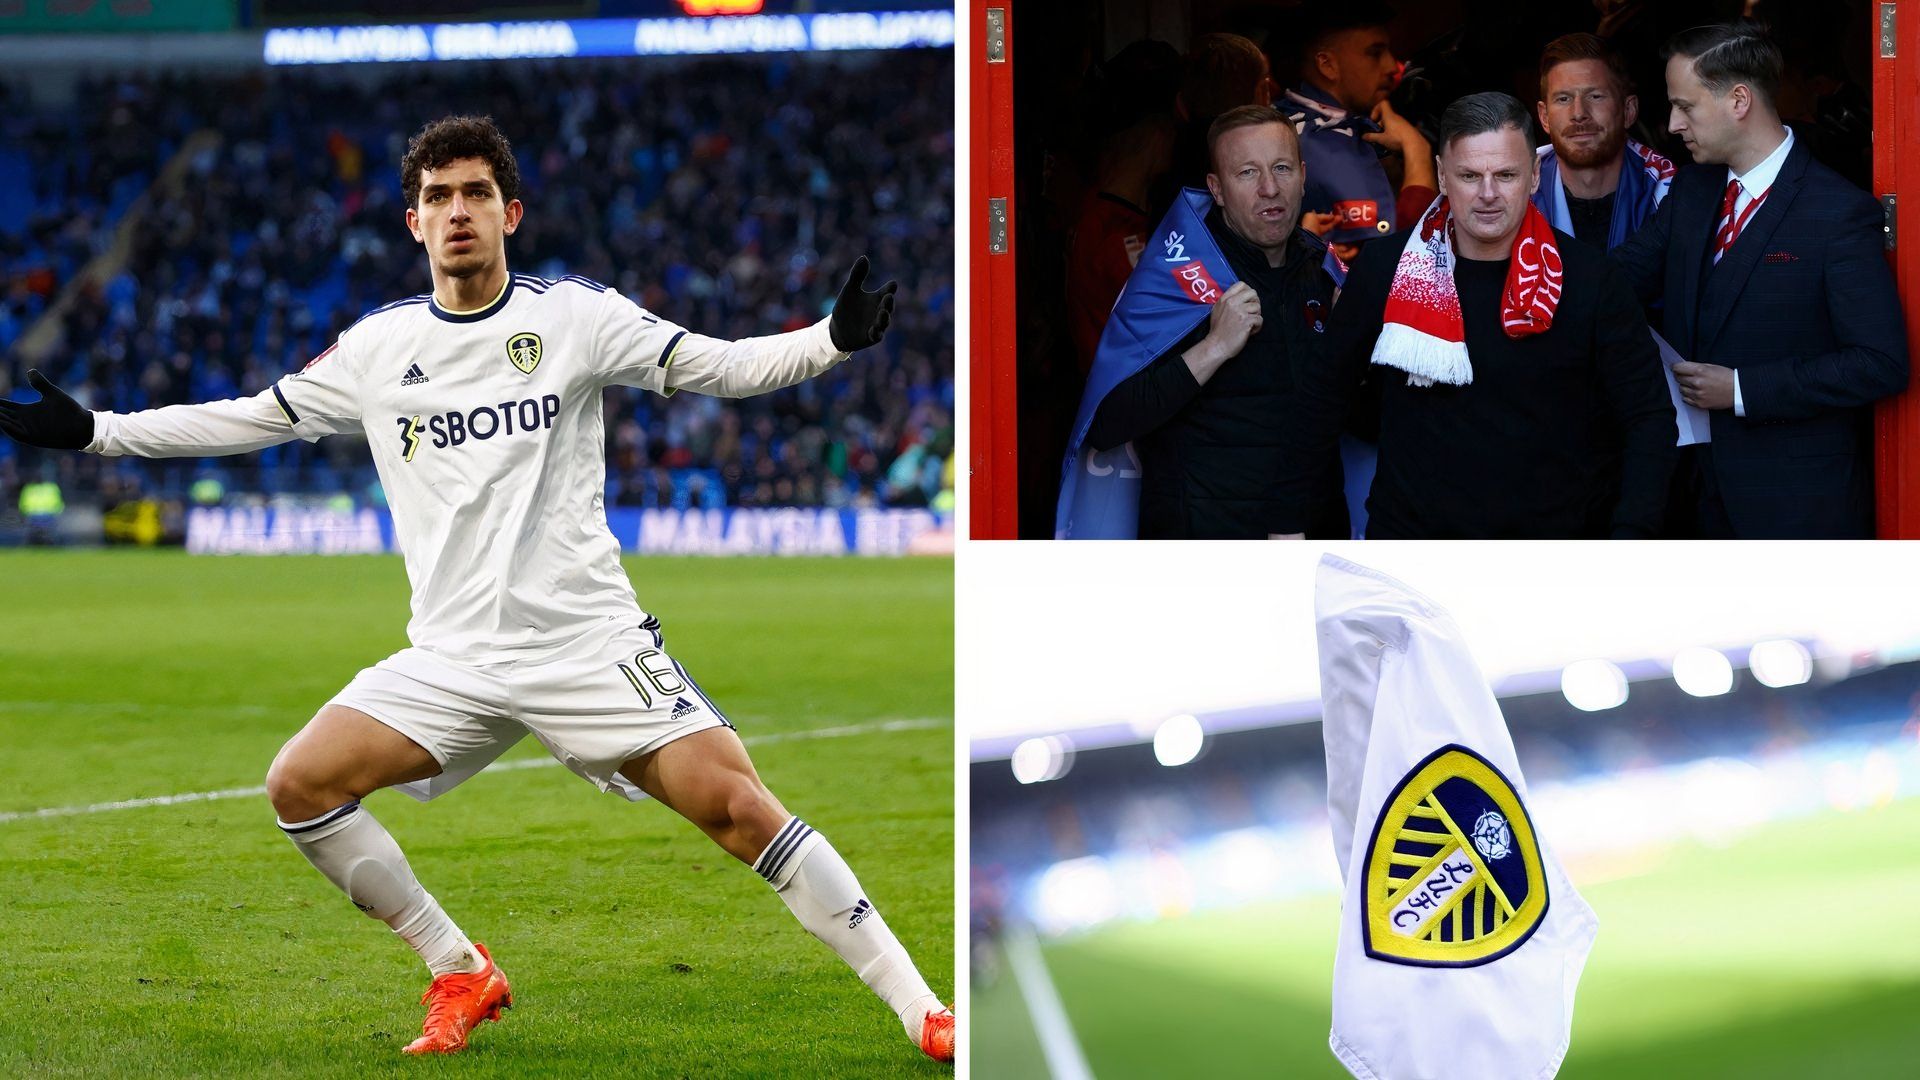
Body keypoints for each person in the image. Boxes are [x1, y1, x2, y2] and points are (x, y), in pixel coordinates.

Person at [0, 115, 953, 1063]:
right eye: (438, 197)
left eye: (476, 195)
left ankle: (925, 1012)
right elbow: (251, 419)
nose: (458, 212)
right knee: (300, 784)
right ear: (412, 223)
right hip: (453, 658)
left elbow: (722, 363)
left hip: (588, 644)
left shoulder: (574, 319)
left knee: (744, 811)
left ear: (511, 213)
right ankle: (457, 964)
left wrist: (830, 339)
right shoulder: (377, 350)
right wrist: (96, 433)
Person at [1299, 92, 1677, 538]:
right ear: (1441, 175)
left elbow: (1648, 418)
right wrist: (1291, 523)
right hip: (1413, 549)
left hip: (1551, 553)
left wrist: (1632, 535)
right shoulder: (1386, 269)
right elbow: (1320, 399)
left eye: (1506, 175)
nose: (1488, 195)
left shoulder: (1591, 279)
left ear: (1535, 175)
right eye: (1469, 175)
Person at [1609, 22, 1909, 538]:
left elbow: (1880, 364)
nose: (1674, 124)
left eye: (1686, 106)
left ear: (1739, 100)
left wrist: (1744, 388)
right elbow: (1612, 282)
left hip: (1799, 505)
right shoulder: (1693, 191)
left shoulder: (1838, 212)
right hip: (1695, 496)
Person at [1074, 105, 1347, 539]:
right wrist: (1214, 347)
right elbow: (1107, 423)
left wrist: (1353, 345)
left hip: (1311, 545)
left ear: (1303, 173)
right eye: (1247, 174)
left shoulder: (1327, 271)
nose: (1269, 188)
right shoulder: (1177, 273)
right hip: (1205, 553)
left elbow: (1368, 420)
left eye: (1281, 168)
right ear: (1216, 190)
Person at [1279, 4, 1437, 258]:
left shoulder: (1297, 116)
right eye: (1375, 54)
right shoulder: (1319, 149)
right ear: (1328, 65)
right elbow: (1407, 254)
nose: (1391, 67)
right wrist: (1416, 148)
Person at [1532, 32, 1673, 252]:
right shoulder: (1516, 187)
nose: (1578, 113)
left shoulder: (1669, 192)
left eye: (1595, 96)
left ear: (1628, 110)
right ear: (1544, 117)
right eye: (1563, 99)